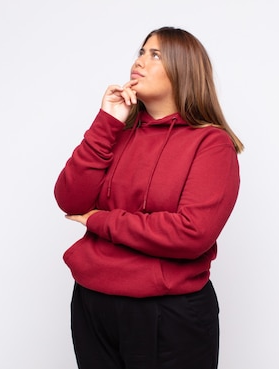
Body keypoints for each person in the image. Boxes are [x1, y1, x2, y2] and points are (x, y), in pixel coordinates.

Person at [54, 26, 243, 369]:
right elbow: (70, 199)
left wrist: (101, 220)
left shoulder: (211, 144)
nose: (139, 61)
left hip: (167, 313)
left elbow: (191, 234)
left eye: (154, 54)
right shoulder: (117, 132)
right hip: (92, 304)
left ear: (183, 69)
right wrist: (106, 122)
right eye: (141, 52)